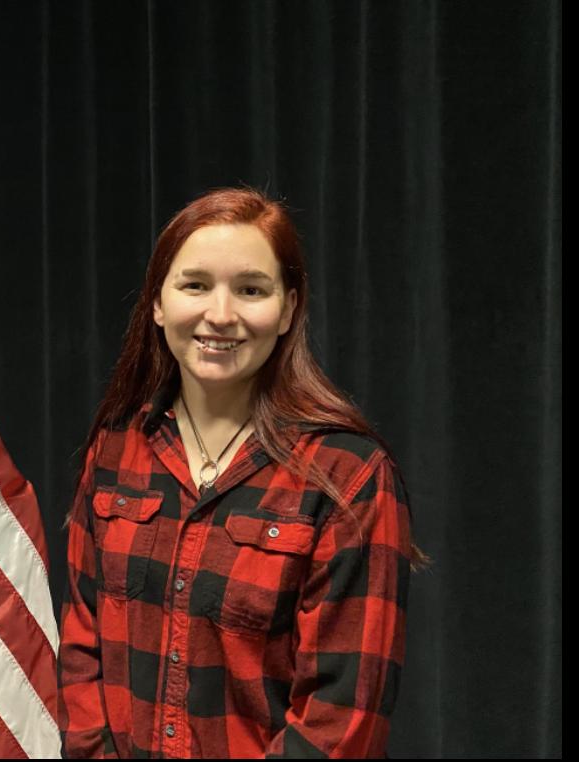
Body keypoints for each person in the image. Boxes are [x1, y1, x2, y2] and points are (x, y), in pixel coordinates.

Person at [57, 187, 427, 758]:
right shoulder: (114, 450)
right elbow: (83, 655)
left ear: (288, 310)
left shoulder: (347, 477)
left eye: (251, 290)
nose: (221, 314)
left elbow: (340, 724)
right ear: (158, 303)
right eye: (195, 285)